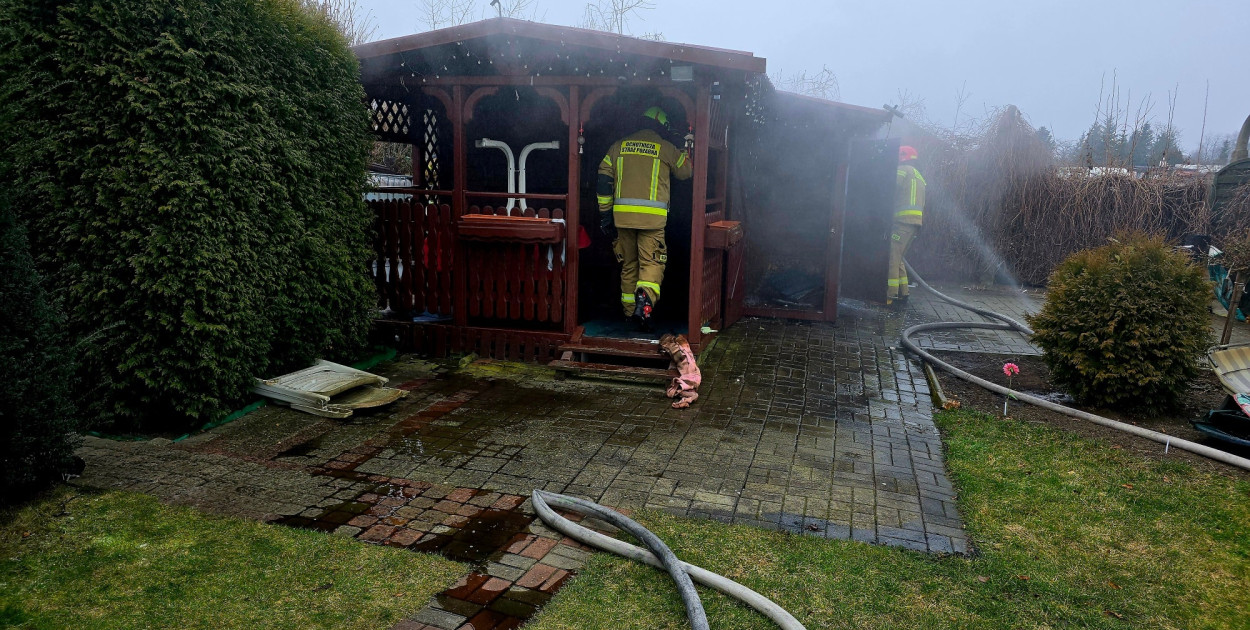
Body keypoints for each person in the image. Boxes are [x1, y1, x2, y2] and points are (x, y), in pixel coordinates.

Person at [597, 106, 693, 329]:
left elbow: (603, 180)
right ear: (662, 127)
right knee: (651, 265)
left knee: (629, 266)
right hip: (652, 222)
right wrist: (682, 144)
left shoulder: (618, 147)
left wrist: (605, 215)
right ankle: (645, 303)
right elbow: (686, 172)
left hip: (622, 220)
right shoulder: (665, 148)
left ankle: (631, 316)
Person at [888, 145, 925, 307]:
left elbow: (889, 190)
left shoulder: (902, 170)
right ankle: (904, 292)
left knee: (892, 257)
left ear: (901, 157)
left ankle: (890, 295)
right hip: (914, 223)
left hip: (902, 222)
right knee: (899, 257)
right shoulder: (918, 175)